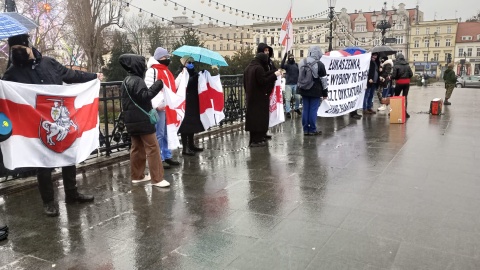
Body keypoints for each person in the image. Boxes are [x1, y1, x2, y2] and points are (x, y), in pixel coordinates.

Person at [2, 34, 100, 217]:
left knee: (69, 156)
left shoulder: (49, 63)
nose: (17, 53)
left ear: (29, 47)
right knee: (43, 164)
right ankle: (48, 202)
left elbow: (71, 75)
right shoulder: (12, 73)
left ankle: (72, 194)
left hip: (59, 119)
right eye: (13, 50)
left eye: (20, 49)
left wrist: (93, 77)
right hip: (36, 125)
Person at [119, 53, 170, 188]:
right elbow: (145, 96)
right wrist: (158, 84)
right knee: (153, 148)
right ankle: (157, 179)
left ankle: (137, 176)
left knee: (136, 148)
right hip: (143, 121)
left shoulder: (126, 81)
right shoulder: (137, 80)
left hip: (131, 121)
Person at [145, 47, 181, 169]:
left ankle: (166, 155)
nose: (167, 59)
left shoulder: (166, 70)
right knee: (159, 133)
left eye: (167, 57)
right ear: (159, 58)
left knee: (166, 132)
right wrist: (158, 104)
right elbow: (150, 88)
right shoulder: (152, 71)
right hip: (160, 106)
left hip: (167, 106)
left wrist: (182, 76)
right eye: (165, 57)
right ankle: (159, 157)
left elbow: (172, 86)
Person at [243, 52, 280, 147]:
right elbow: (263, 81)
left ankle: (252, 140)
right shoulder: (258, 68)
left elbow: (246, 82)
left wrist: (272, 72)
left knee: (252, 119)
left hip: (251, 97)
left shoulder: (248, 67)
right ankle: (257, 140)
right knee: (259, 119)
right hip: (259, 97)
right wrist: (274, 75)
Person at [297, 46, 328, 136]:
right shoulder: (320, 64)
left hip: (303, 88)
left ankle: (305, 129)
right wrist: (325, 93)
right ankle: (312, 129)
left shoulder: (301, 61)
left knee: (305, 109)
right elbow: (324, 81)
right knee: (313, 110)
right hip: (315, 90)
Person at [178, 56, 205, 156]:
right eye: (189, 62)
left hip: (193, 101)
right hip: (185, 102)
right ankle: (185, 148)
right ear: (184, 63)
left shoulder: (193, 72)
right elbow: (185, 84)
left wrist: (201, 75)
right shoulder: (181, 73)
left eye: (192, 62)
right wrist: (194, 78)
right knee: (185, 125)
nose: (191, 64)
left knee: (192, 124)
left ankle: (191, 144)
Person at [256, 43, 276, 140]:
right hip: (262, 91)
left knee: (266, 113)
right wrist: (273, 74)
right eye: (265, 51)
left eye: (268, 50)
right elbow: (263, 76)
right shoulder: (259, 63)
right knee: (261, 114)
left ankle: (264, 131)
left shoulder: (270, 62)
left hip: (269, 89)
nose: (267, 52)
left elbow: (274, 70)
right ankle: (260, 134)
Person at [392, 53, 413, 118]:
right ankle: (404, 112)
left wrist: (394, 78)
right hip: (406, 83)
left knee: (396, 96)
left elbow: (394, 76)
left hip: (399, 82)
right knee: (405, 97)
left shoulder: (396, 65)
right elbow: (411, 74)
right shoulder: (407, 65)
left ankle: (394, 111)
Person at [281, 53, 301, 118]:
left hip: (296, 84)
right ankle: (288, 111)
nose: (291, 59)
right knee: (288, 99)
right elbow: (281, 66)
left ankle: (296, 108)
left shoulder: (296, 65)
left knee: (298, 98)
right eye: (290, 58)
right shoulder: (287, 66)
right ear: (288, 59)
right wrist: (284, 57)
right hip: (288, 85)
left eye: (292, 57)